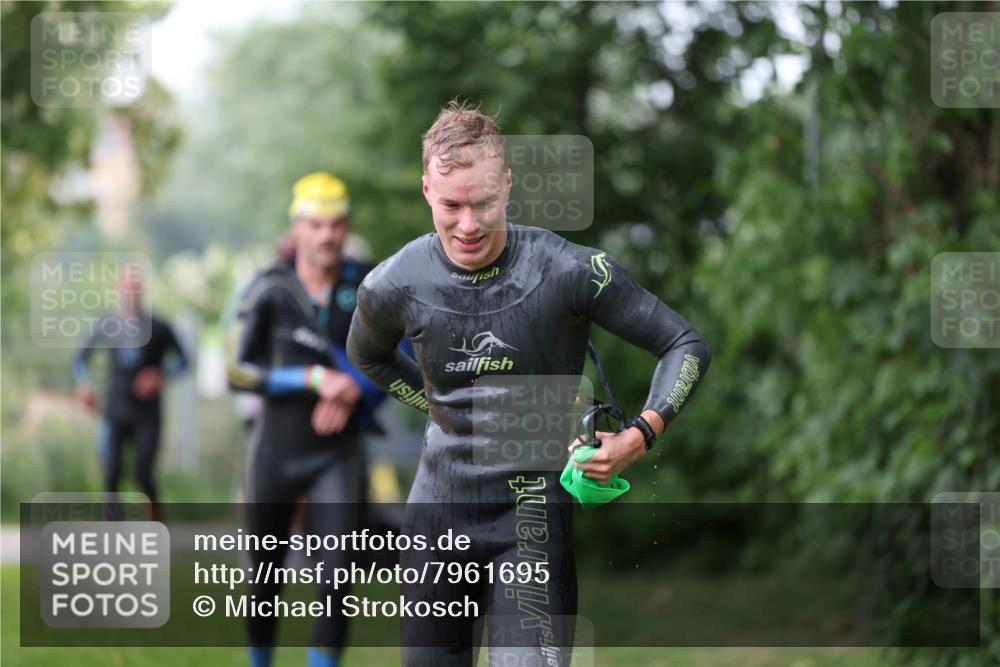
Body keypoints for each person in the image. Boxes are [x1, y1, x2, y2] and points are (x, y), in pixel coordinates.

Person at [347, 101, 711, 666]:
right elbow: (366, 357)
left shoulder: (567, 271)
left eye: (484, 203)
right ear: (426, 191)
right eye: (451, 205)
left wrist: (638, 436)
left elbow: (685, 344)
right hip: (437, 519)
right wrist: (439, 407)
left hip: (531, 520)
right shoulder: (391, 283)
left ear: (509, 186)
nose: (468, 225)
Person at [227, 172, 389, 667]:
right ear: (297, 228)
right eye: (316, 225)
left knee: (338, 575)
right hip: (274, 450)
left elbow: (404, 354)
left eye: (337, 224)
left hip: (335, 455)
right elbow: (236, 370)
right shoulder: (269, 289)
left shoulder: (368, 285)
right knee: (264, 576)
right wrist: (314, 380)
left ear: (347, 227)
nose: (327, 235)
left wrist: (353, 391)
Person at [73, 267, 188, 521]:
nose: (130, 292)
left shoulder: (158, 326)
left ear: (142, 290)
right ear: (119, 289)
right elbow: (80, 359)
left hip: (148, 412)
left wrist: (160, 375)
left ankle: (156, 519)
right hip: (116, 409)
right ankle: (115, 530)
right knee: (112, 470)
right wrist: (84, 386)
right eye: (126, 286)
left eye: (135, 287)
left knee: (143, 472)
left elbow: (185, 361)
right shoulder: (107, 324)